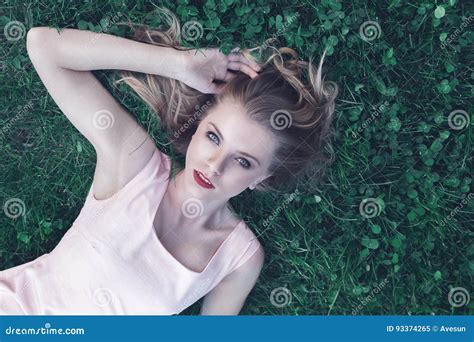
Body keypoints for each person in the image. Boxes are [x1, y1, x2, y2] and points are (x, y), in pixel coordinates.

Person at [0, 8, 337, 315]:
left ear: (262, 178)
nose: (214, 166)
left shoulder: (238, 258)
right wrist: (177, 64)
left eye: (244, 162)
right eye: (213, 137)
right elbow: (43, 46)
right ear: (198, 128)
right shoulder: (134, 164)